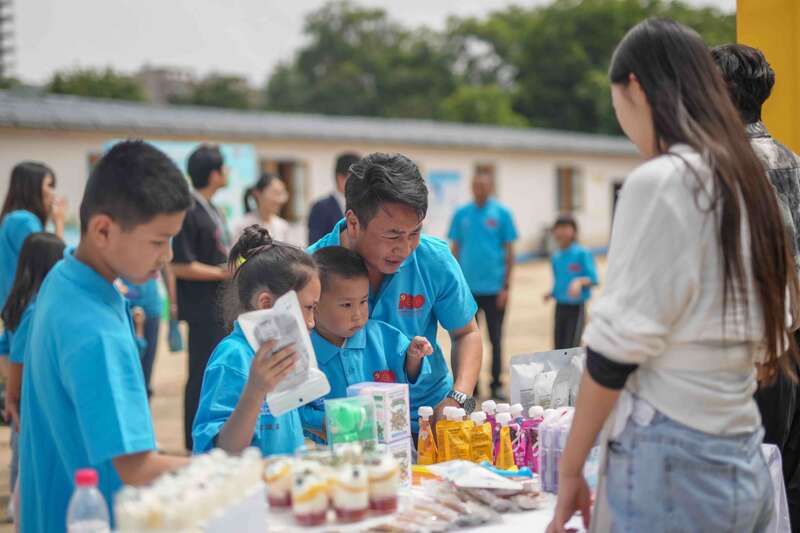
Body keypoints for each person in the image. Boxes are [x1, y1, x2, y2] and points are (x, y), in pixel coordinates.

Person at [547, 19, 798, 533]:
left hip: (674, 460)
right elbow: (780, 323)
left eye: (617, 101)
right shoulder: (751, 175)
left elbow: (614, 352)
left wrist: (571, 467)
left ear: (635, 87)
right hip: (741, 448)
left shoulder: (664, 180)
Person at [19, 140, 192, 532]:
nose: (166, 256)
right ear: (103, 229)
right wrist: (245, 472)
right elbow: (136, 466)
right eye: (157, 241)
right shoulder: (93, 330)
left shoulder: (66, 278)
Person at [308, 153, 482, 430]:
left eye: (414, 233)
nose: (405, 248)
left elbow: (467, 333)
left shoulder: (432, 259)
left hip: (425, 418)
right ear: (353, 223)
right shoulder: (309, 272)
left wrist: (458, 397)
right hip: (346, 427)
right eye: (392, 236)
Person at [713, 43, 800, 531]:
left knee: (751, 482)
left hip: (756, 351)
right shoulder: (791, 159)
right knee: (788, 477)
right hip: (791, 344)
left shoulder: (728, 167)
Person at [193, 225, 320, 456]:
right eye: (308, 308)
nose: (312, 322)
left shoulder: (281, 353)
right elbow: (220, 452)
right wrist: (255, 389)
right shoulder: (233, 357)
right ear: (266, 304)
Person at [300, 246, 432, 436]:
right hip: (329, 455)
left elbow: (411, 377)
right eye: (346, 305)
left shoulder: (384, 336)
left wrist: (414, 357)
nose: (358, 314)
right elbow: (293, 410)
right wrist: (322, 421)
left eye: (363, 301)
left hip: (389, 446)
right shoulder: (303, 353)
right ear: (316, 306)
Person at [0, 232, 64, 520]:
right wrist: (14, 394)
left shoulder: (19, 302)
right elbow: (18, 358)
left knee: (21, 454)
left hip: (23, 394)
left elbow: (5, 348)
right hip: (28, 397)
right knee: (25, 458)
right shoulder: (38, 307)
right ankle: (21, 510)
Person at [171, 144, 232, 450]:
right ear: (214, 173)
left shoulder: (212, 208)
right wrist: (221, 273)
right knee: (200, 372)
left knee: (214, 369)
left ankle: (209, 432)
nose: (228, 173)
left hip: (217, 304)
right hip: (201, 306)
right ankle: (190, 439)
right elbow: (180, 264)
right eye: (224, 168)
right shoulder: (189, 210)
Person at [448, 171, 518, 399]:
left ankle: (496, 383)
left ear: (491, 187)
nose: (480, 188)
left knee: (495, 339)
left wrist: (506, 287)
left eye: (484, 185)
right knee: (466, 338)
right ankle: (471, 386)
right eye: (476, 185)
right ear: (471, 187)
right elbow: (455, 249)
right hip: (468, 291)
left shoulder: (502, 214)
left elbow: (509, 252)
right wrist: (455, 285)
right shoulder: (461, 214)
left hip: (495, 289)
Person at [0, 162, 65, 358]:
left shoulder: (12, 218)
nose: (53, 193)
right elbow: (51, 260)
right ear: (31, 187)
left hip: (14, 308)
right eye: (49, 185)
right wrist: (59, 223)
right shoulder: (24, 220)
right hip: (27, 309)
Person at [544, 214, 598, 350]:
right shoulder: (556, 256)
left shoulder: (582, 253)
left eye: (566, 228)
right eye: (558, 228)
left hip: (576, 307)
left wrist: (579, 282)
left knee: (571, 347)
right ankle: (560, 372)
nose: (562, 231)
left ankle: (572, 372)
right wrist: (552, 293)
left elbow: (594, 279)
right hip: (560, 306)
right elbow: (559, 280)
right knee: (558, 347)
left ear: (574, 231)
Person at [307, 152, 360, 245]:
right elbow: (316, 244)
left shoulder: (363, 205)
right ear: (341, 178)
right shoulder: (321, 207)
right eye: (355, 178)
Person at [232, 172, 292, 243]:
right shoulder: (243, 226)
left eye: (282, 193)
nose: (280, 199)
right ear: (258, 193)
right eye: (275, 193)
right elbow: (235, 253)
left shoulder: (282, 226)